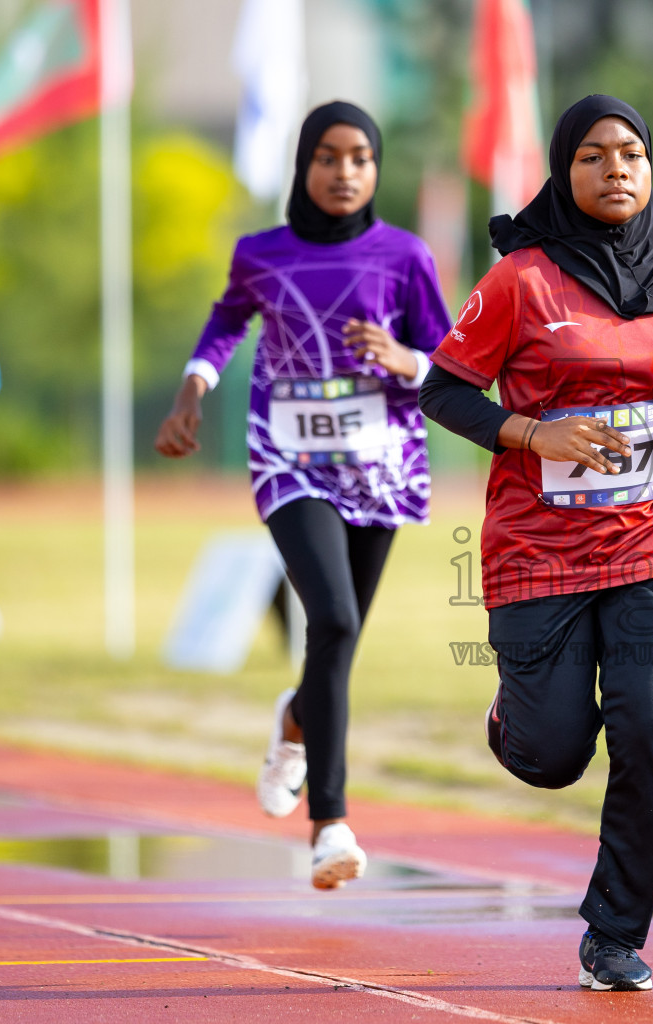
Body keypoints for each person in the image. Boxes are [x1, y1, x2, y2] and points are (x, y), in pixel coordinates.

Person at [419, 94, 653, 992]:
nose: (616, 170)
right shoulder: (520, 281)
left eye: (632, 153)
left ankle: (613, 933)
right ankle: (512, 724)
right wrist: (533, 434)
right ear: (564, 171)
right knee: (553, 755)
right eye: (593, 156)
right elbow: (442, 391)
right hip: (539, 555)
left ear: (651, 168)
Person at [155, 102, 450, 889]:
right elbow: (225, 324)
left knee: (336, 644)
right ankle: (331, 823)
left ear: (376, 168)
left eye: (360, 157)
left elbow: (452, 359)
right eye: (327, 156)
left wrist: (402, 357)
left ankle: (294, 722)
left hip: (380, 463)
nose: (344, 171)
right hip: (289, 459)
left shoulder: (406, 254)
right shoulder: (262, 254)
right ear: (303, 166)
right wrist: (193, 389)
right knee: (335, 617)